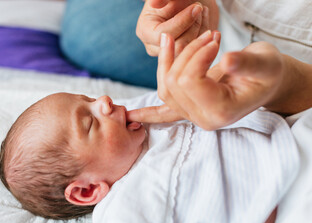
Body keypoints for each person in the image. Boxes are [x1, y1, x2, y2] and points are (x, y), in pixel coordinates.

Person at [0, 87, 298, 223]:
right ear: (88, 191)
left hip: (289, 137)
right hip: (284, 207)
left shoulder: (139, 112)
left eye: (87, 98)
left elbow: (181, 96)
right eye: (90, 122)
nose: (103, 101)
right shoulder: (125, 213)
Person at [61, 0, 312, 130]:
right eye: (89, 122)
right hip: (232, 31)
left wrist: (288, 87)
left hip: (248, 56)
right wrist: (195, 9)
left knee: (86, 36)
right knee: (83, 35)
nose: (103, 100)